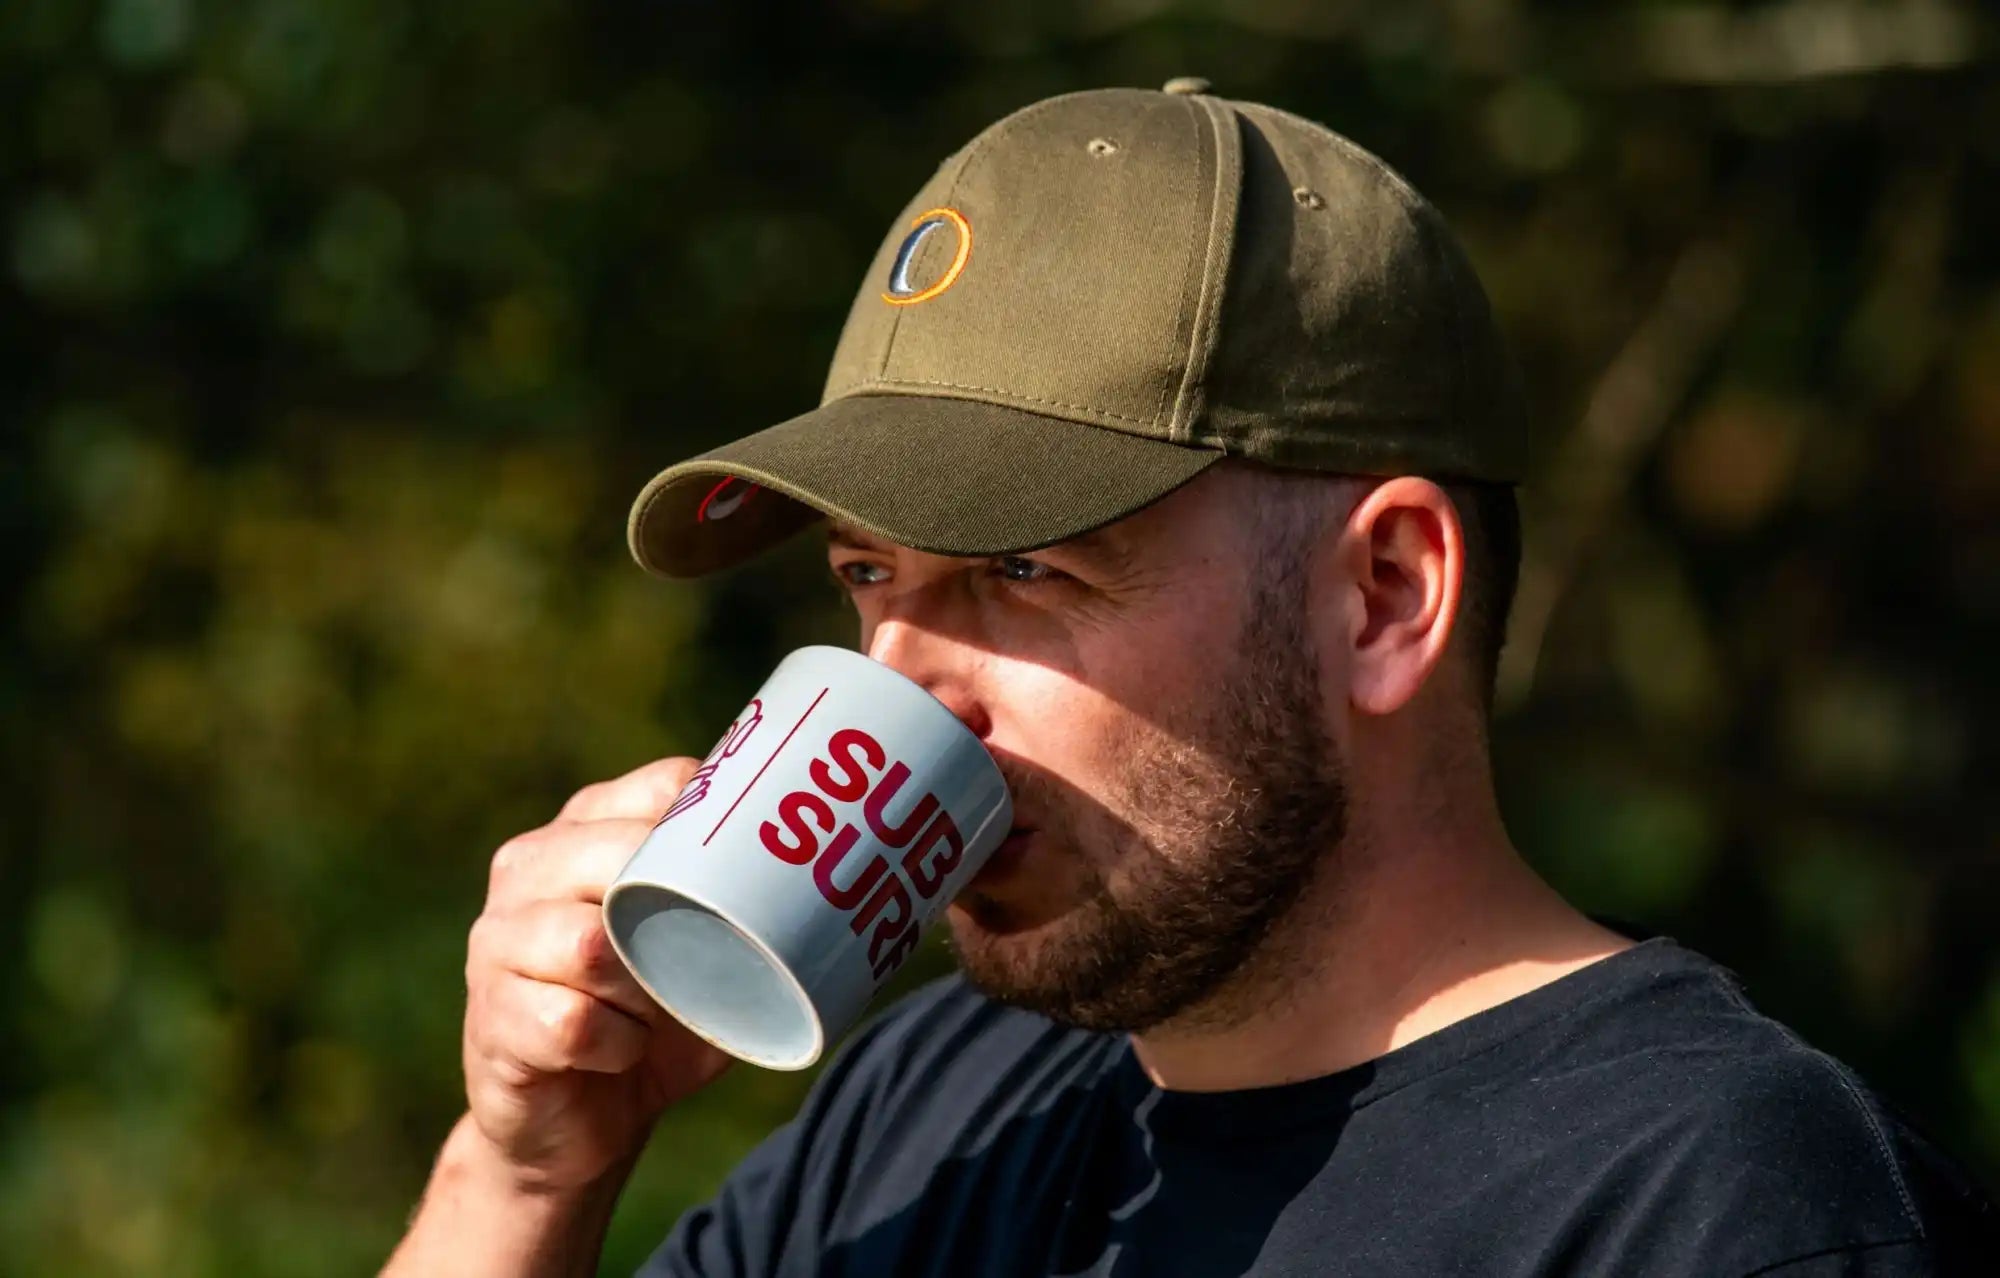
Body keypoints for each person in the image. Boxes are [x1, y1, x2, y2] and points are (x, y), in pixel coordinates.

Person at [381, 81, 1998, 1277]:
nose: (909, 681)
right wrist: (524, 1174)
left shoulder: (1720, 1209)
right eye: (871, 576)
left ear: (1386, 595)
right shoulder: (937, 1108)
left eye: (1027, 571)